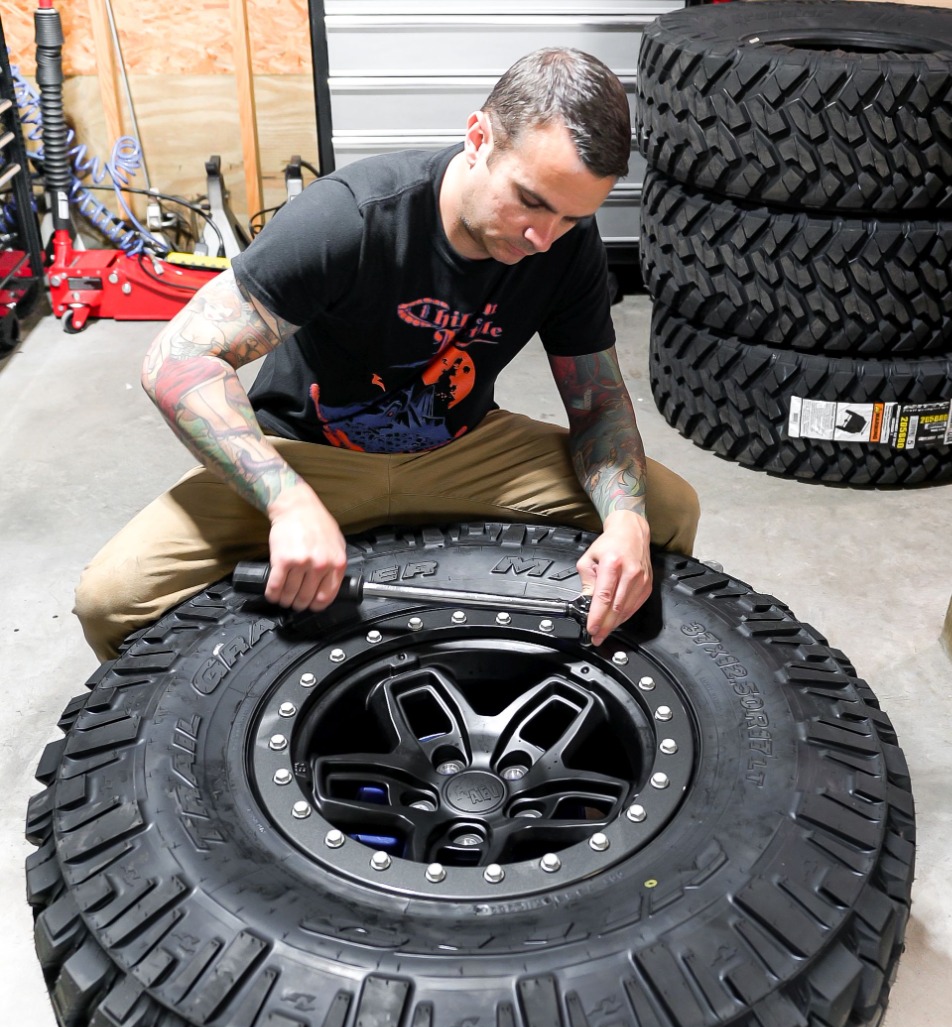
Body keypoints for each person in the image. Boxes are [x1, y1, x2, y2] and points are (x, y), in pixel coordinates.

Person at [74, 47, 699, 660]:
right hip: (312, 453)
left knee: (664, 513)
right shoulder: (351, 216)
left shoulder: (565, 243)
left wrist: (624, 522)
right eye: (531, 201)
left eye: (570, 216)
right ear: (478, 137)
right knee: (111, 598)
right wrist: (288, 504)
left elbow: (598, 404)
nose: (544, 239)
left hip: (463, 448)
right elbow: (177, 361)